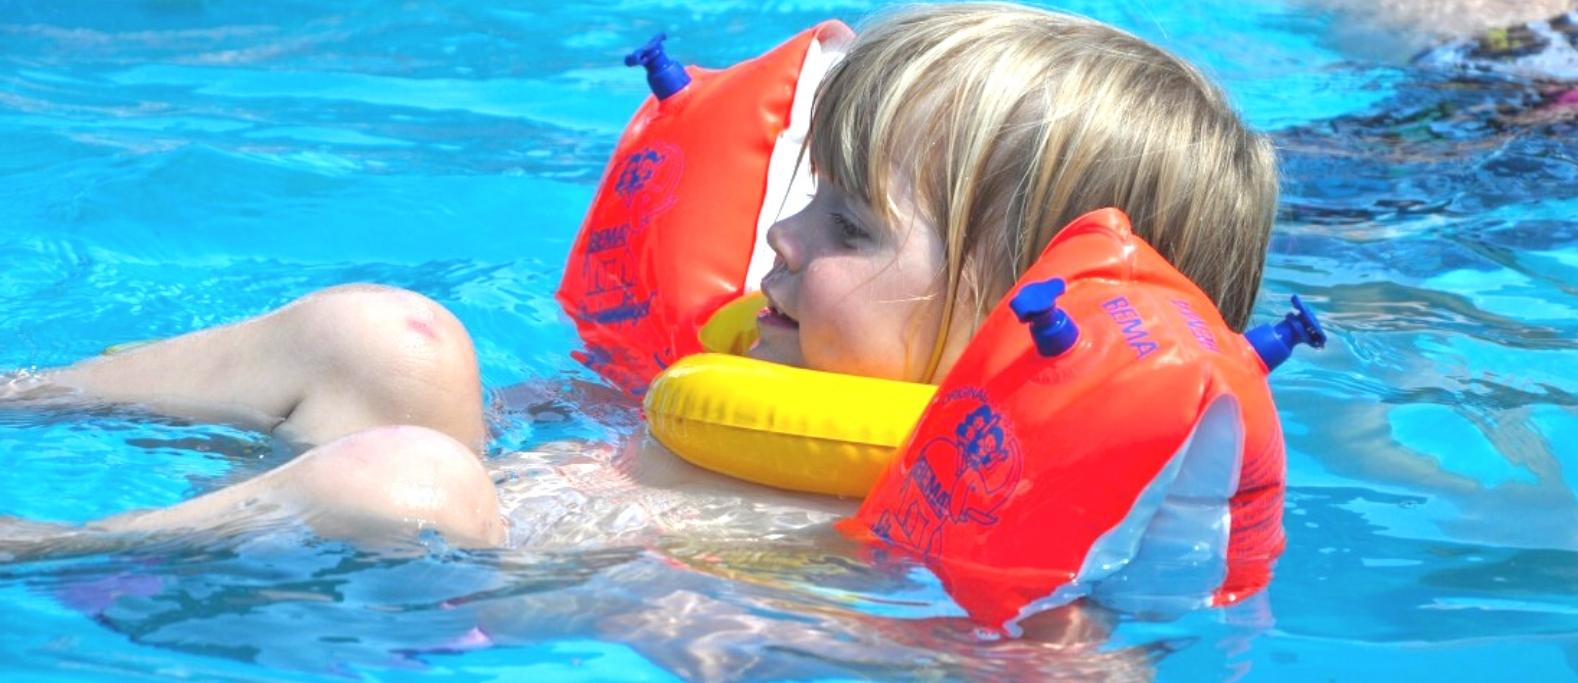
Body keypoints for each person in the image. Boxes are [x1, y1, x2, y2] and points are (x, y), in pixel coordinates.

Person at [0, 3, 1276, 560]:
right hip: (370, 518)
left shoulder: (939, 538)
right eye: (800, 198)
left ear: (1020, 318)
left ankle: (44, 549)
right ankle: (25, 391)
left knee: (411, 479)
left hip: (428, 595)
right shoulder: (732, 372)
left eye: (845, 225)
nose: (781, 242)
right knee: (392, 338)